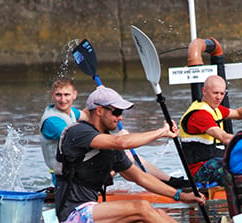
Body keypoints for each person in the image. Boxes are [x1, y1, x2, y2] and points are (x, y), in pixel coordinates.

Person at [54, 87, 205, 223]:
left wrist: (181, 196)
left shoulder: (110, 146)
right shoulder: (78, 132)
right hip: (71, 217)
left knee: (156, 214)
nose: (120, 118)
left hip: (92, 213)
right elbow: (123, 142)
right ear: (99, 110)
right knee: (142, 207)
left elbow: (141, 177)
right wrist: (162, 132)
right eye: (117, 112)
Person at [40, 78, 190, 187]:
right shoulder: (53, 121)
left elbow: (90, 113)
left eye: (67, 95)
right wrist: (118, 138)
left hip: (79, 167)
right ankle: (168, 184)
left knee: (127, 155)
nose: (63, 99)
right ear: (52, 96)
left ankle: (169, 182)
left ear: (74, 95)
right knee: (125, 153)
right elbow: (78, 138)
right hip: (64, 176)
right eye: (59, 95)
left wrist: (103, 97)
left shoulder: (71, 112)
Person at [179, 74, 242, 186]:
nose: (219, 97)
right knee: (240, 161)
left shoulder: (215, 109)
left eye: (222, 93)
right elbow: (225, 138)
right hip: (200, 173)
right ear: (204, 91)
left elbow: (239, 113)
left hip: (215, 165)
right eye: (215, 93)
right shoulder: (199, 115)